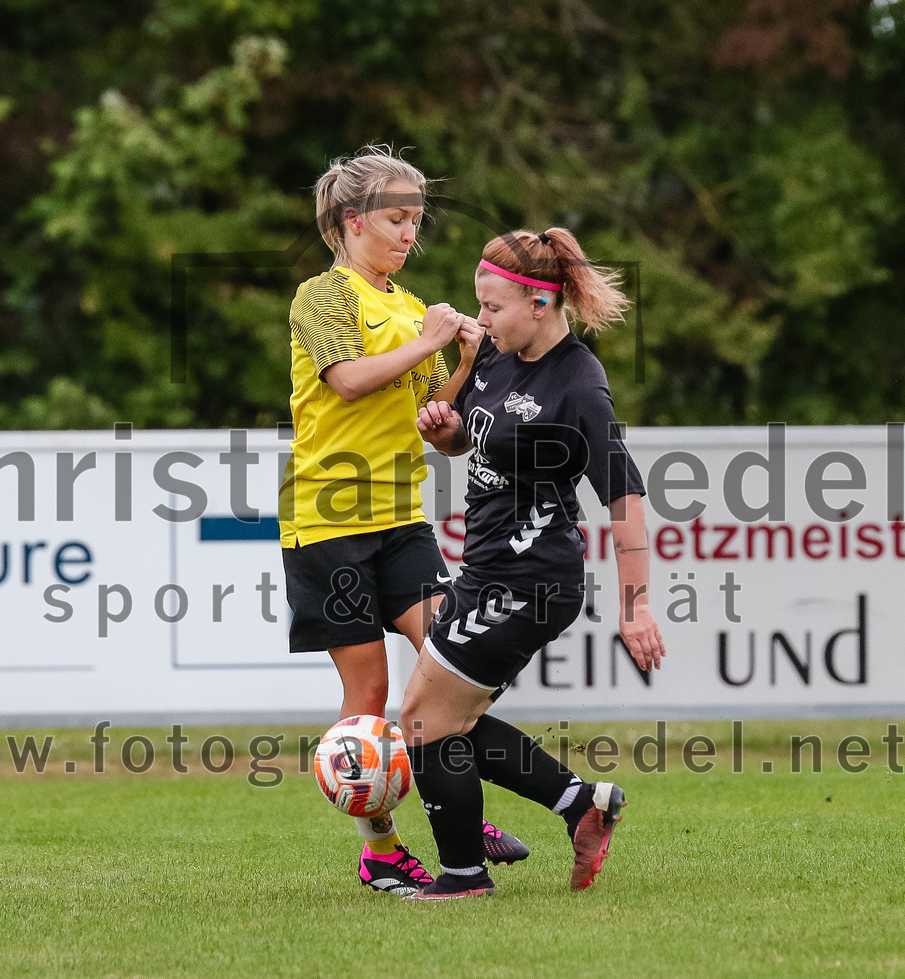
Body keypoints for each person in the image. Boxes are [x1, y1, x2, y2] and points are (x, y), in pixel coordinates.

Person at [279, 146, 529, 895]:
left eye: (416, 219)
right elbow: (351, 382)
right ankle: (381, 849)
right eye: (396, 218)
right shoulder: (322, 296)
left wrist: (463, 363)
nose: (409, 233)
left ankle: (453, 798)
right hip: (327, 518)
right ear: (352, 221)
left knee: (458, 669)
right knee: (368, 703)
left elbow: (428, 415)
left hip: (400, 515)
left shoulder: (412, 305)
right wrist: (428, 340)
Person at [399, 227, 666, 900]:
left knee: (425, 720)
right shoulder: (495, 351)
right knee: (444, 719)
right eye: (479, 305)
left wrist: (636, 608)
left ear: (541, 303)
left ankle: (463, 875)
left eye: (492, 306)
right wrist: (446, 429)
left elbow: (626, 500)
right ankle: (581, 802)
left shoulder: (579, 385)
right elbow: (466, 436)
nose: (480, 319)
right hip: (484, 569)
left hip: (532, 579)